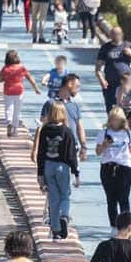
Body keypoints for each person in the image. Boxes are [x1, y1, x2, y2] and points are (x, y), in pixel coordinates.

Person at [33, 102, 79, 241]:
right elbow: (71, 155)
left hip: (48, 165)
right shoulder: (67, 131)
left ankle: (56, 230)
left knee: (53, 198)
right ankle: (64, 216)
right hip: (63, 166)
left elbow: (40, 153)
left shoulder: (45, 130)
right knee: (65, 194)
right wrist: (76, 173)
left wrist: (40, 174)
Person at [95, 107, 131, 230]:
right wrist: (105, 145)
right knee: (111, 199)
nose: (115, 122)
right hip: (108, 168)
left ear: (122, 120)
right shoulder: (103, 133)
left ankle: (126, 227)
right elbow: (98, 152)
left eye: (117, 120)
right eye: (113, 120)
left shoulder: (128, 134)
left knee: (124, 199)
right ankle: (114, 227)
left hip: (124, 169)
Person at [0, 51, 42, 138]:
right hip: (19, 91)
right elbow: (30, 78)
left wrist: (4, 79)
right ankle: (15, 128)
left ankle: (9, 123)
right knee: (17, 110)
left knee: (8, 109)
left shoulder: (5, 68)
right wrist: (36, 88)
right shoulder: (21, 68)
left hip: (8, 91)